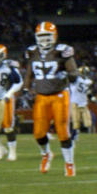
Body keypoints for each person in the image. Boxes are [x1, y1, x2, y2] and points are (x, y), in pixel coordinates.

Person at [23, 21, 79, 176]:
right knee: (38, 133)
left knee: (62, 131)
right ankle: (46, 154)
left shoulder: (62, 51)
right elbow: (29, 73)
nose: (44, 40)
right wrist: (26, 87)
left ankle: (69, 163)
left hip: (60, 95)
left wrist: (68, 75)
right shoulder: (32, 52)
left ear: (54, 36)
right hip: (41, 96)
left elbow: (74, 73)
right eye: (41, 37)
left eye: (47, 36)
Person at [69, 66, 95, 140]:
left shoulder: (85, 81)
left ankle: (77, 132)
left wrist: (92, 97)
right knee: (76, 121)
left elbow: (87, 91)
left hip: (82, 102)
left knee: (87, 123)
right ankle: (74, 134)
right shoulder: (84, 81)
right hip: (76, 102)